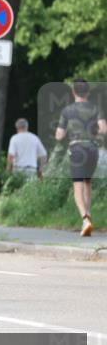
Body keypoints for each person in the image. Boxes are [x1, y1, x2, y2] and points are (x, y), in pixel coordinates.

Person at [55, 79, 106, 237]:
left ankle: (85, 220)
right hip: (92, 148)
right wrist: (94, 134)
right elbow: (104, 129)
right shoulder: (96, 108)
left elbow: (59, 135)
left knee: (77, 185)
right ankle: (88, 214)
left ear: (73, 92)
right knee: (87, 182)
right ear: (88, 92)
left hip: (77, 148)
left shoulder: (67, 111)